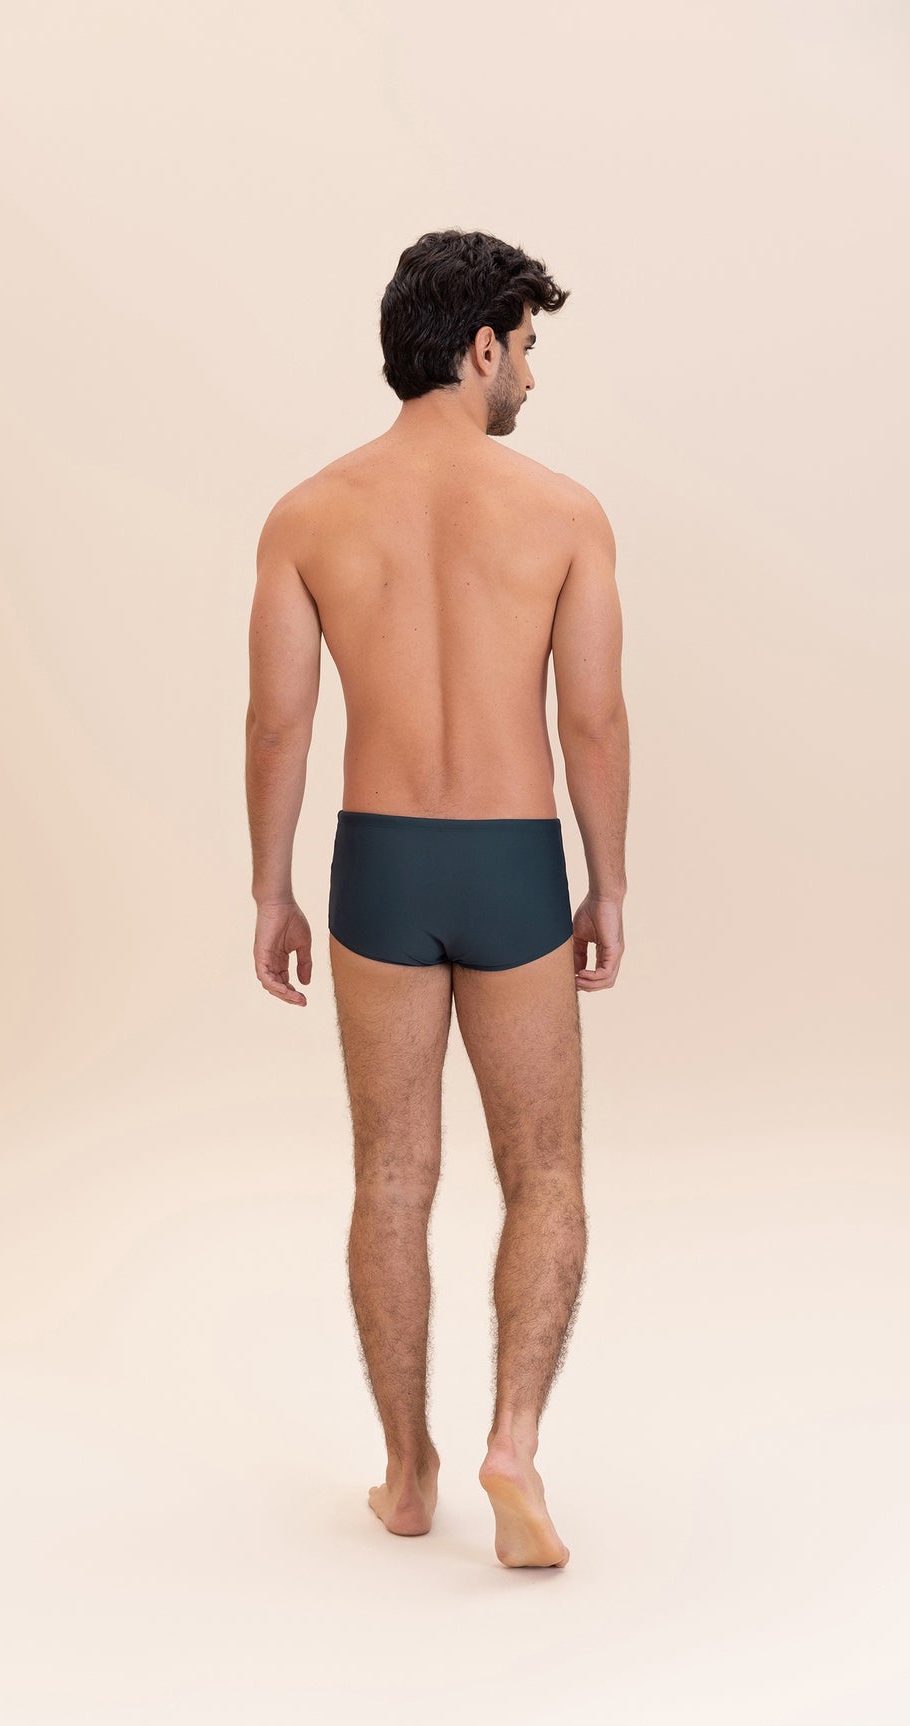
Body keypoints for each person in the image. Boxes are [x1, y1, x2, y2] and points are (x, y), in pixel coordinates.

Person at [245, 229, 628, 1569]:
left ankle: (408, 1475)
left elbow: (279, 724)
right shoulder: (564, 514)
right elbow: (591, 721)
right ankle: (512, 1439)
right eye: (524, 346)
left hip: (380, 863)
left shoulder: (308, 514)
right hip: (515, 859)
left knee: (393, 1179)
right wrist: (608, 881)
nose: (528, 374)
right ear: (479, 348)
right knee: (548, 1173)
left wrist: (270, 888)